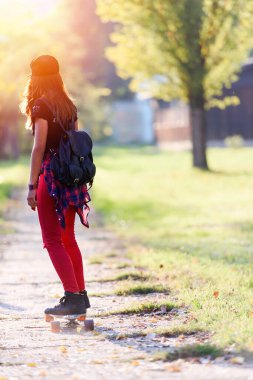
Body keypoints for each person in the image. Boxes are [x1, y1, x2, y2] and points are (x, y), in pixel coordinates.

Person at [20, 55, 91, 316]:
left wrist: (31, 185)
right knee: (67, 237)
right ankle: (80, 296)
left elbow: (39, 147)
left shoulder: (40, 105)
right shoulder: (68, 104)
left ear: (35, 78)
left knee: (52, 239)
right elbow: (73, 141)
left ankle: (71, 296)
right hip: (71, 176)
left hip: (50, 175)